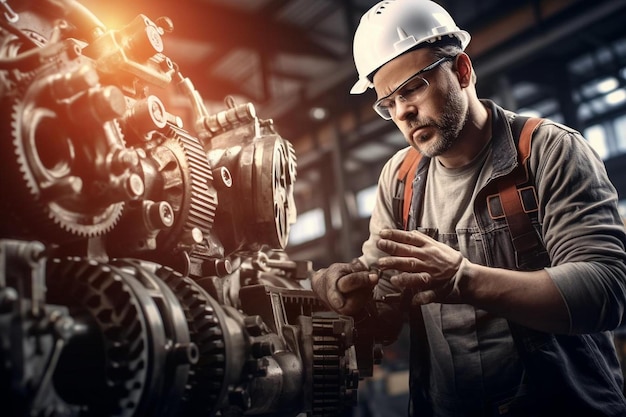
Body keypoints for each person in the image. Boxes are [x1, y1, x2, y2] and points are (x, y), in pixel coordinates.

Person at [310, 0, 626, 416]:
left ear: (461, 71)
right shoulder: (400, 181)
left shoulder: (546, 151)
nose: (403, 111)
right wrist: (354, 300)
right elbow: (387, 307)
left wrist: (465, 279)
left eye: (413, 87)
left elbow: (605, 291)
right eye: (388, 102)